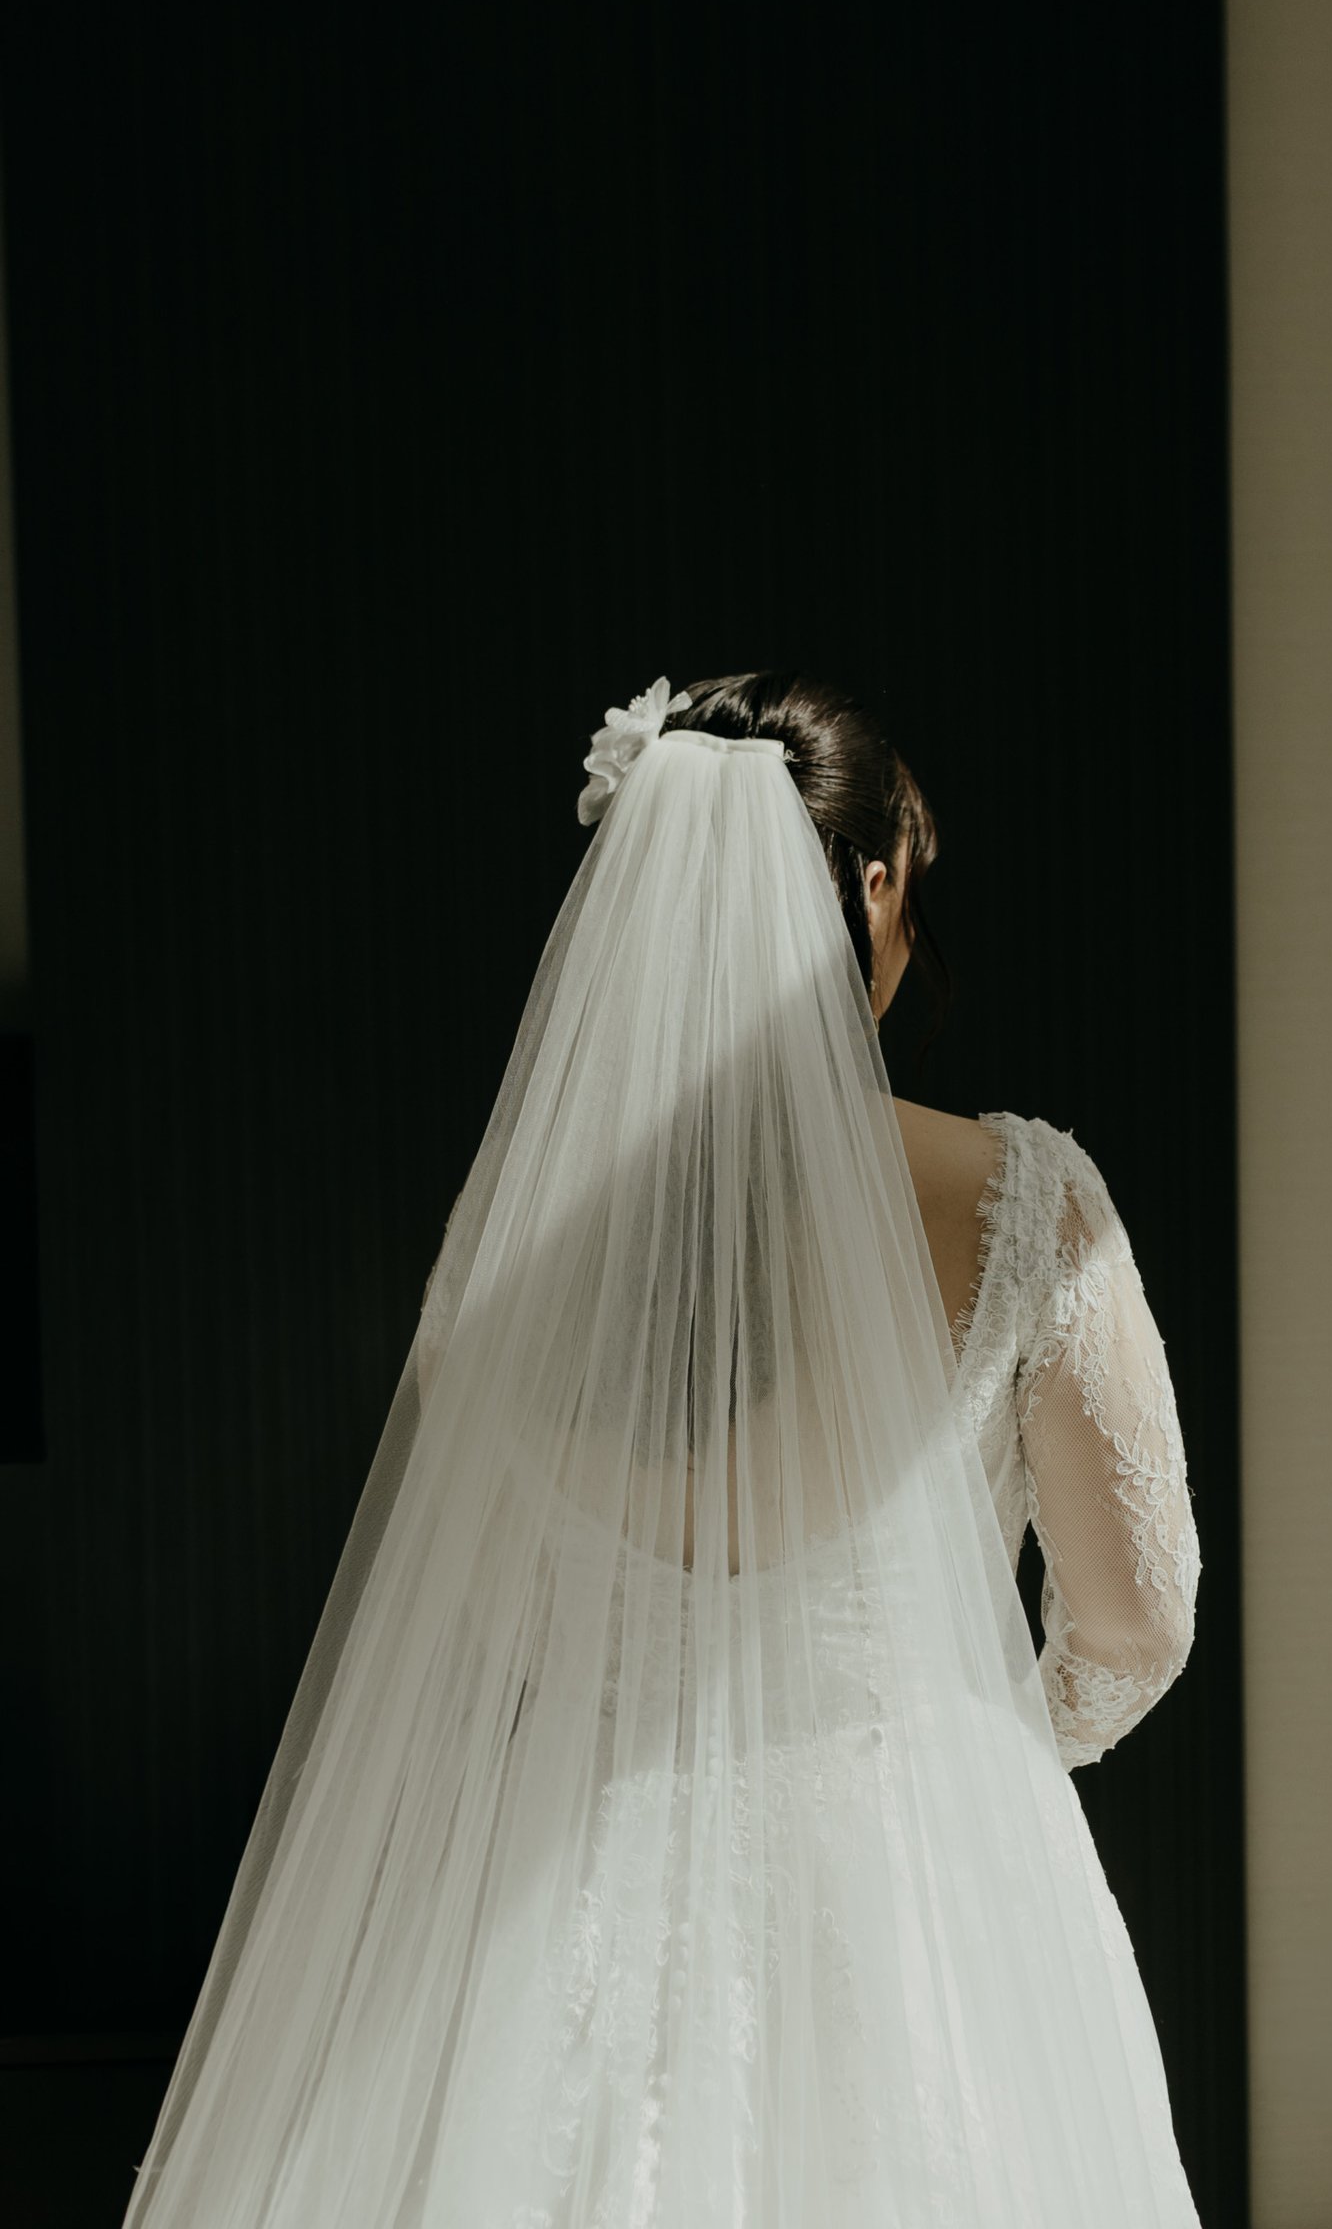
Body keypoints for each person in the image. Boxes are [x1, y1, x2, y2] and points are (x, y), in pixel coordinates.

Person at [125, 669, 1203, 2227]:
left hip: (576, 1896)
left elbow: (485, 1607)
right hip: (923, 1904)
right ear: (875, 887)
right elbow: (1138, 1621)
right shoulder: (1023, 1205)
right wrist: (969, 1743)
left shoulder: (508, 1240)